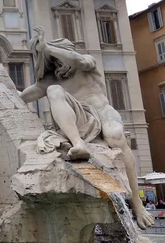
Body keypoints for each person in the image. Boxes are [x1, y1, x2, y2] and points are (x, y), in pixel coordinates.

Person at [19, 27, 155, 229]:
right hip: (82, 120)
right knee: (53, 90)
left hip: (103, 112)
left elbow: (79, 60)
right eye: (53, 61)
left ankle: (137, 204)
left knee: (115, 135)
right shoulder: (51, 81)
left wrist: (48, 47)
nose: (60, 64)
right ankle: (78, 144)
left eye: (60, 57)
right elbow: (22, 98)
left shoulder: (86, 64)